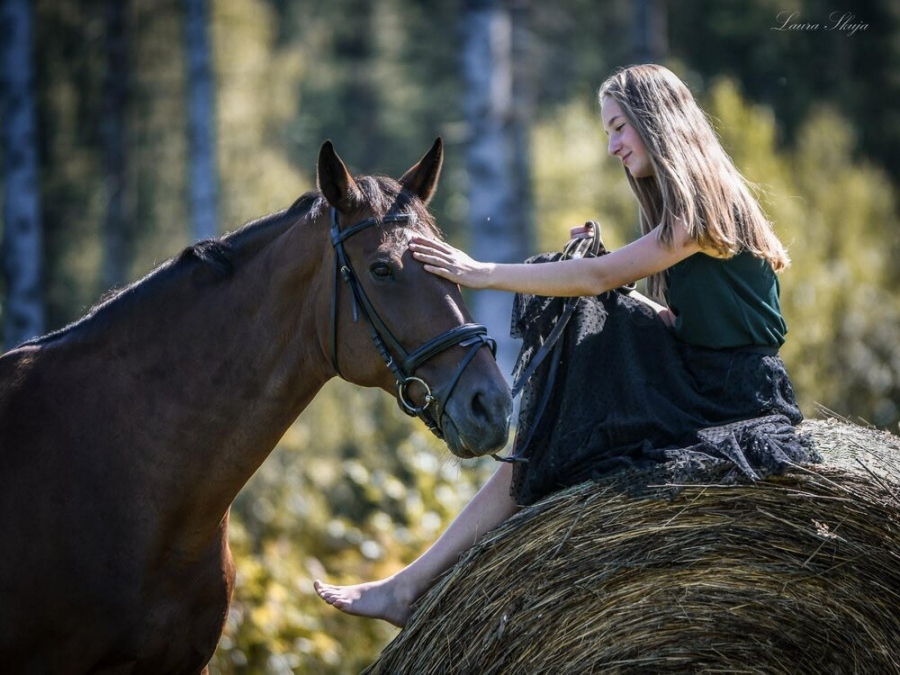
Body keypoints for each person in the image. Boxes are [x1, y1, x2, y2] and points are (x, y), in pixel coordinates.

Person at [314, 63, 814, 627]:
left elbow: (600, 279)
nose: (613, 146)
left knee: (564, 376)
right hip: (700, 377)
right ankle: (409, 587)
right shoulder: (692, 210)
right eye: (608, 132)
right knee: (564, 371)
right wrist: (603, 284)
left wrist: (481, 272)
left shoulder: (702, 208)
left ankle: (407, 588)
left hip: (732, 395)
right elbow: (674, 318)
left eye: (620, 127)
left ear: (658, 120)